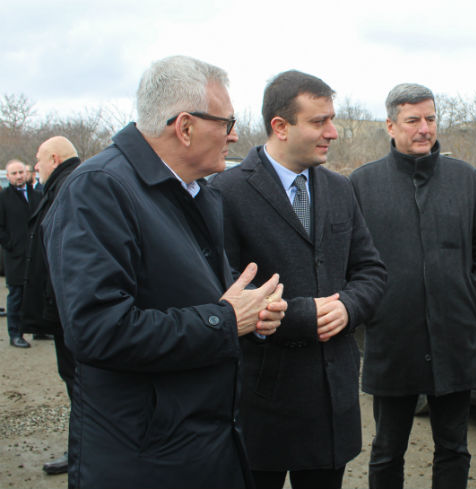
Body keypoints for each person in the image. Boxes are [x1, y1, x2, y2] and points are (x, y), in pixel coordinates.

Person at [42, 55, 287, 489]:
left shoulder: (199, 194)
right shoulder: (99, 189)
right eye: (227, 122)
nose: (234, 136)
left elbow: (210, 297)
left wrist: (255, 314)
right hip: (145, 461)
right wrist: (227, 320)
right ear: (186, 127)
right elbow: (97, 329)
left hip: (204, 447)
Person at [211, 70, 387, 489]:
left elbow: (371, 271)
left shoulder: (340, 189)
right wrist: (302, 316)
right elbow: (221, 285)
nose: (333, 132)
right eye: (319, 121)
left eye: (332, 119)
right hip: (262, 402)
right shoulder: (226, 191)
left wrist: (348, 306)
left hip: (331, 403)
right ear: (280, 127)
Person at [350, 83, 476, 489]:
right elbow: (348, 257)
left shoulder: (466, 179)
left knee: (454, 447)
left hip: (455, 337)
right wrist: (371, 309)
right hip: (392, 342)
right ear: (390, 125)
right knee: (387, 450)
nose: (424, 129)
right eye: (413, 120)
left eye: (431, 119)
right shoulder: (362, 185)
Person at [20, 136, 81, 475]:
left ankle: (81, 455)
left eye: (38, 161)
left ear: (54, 159)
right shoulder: (63, 187)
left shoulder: (69, 188)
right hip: (62, 311)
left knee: (79, 384)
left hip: (66, 313)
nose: (35, 168)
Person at [0, 159, 42, 348]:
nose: (18, 176)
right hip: (16, 256)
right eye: (14, 173)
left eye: (20, 172)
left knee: (37, 291)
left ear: (27, 173)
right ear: (8, 176)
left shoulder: (37, 196)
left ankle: (39, 329)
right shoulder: (3, 198)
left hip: (36, 253)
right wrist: (11, 245)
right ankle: (15, 333)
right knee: (16, 295)